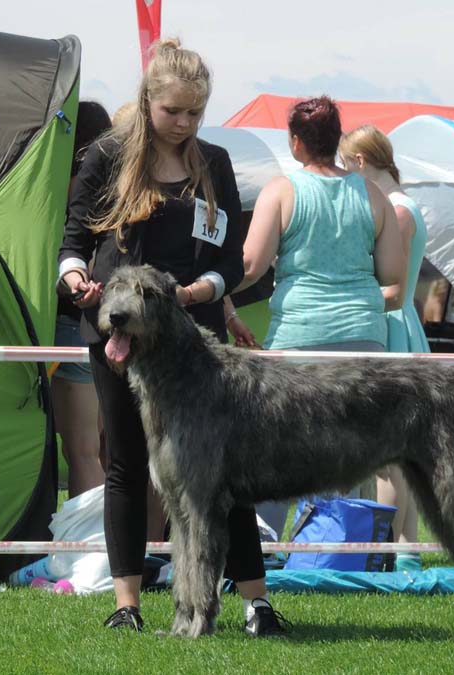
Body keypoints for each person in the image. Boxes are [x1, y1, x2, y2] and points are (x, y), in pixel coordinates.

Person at [56, 39, 286, 636]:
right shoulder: (107, 155)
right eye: (172, 112)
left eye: (194, 113)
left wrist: (201, 292)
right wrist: (77, 276)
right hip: (118, 335)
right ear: (148, 100)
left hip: (196, 344)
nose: (183, 124)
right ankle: (127, 603)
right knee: (126, 466)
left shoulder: (214, 161)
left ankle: (255, 604)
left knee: (224, 472)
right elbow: (74, 236)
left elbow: (232, 259)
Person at [237, 96, 403, 536]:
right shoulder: (372, 194)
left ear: (295, 143)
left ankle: (262, 542)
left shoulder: (281, 191)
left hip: (299, 334)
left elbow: (251, 265)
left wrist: (210, 287)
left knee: (273, 443)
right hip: (364, 336)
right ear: (336, 140)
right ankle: (337, 542)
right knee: (347, 446)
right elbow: (393, 274)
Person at [339, 124, 430, 572]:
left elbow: (389, 282)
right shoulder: (404, 205)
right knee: (403, 454)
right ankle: (405, 546)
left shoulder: (396, 211)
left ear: (359, 163)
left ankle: (389, 548)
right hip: (402, 326)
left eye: (345, 166)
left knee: (388, 454)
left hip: (392, 326)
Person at [52, 101, 112, 499]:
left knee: (83, 452)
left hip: (75, 325)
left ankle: (88, 556)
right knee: (108, 453)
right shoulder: (120, 189)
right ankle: (120, 552)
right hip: (114, 332)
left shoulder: (70, 193)